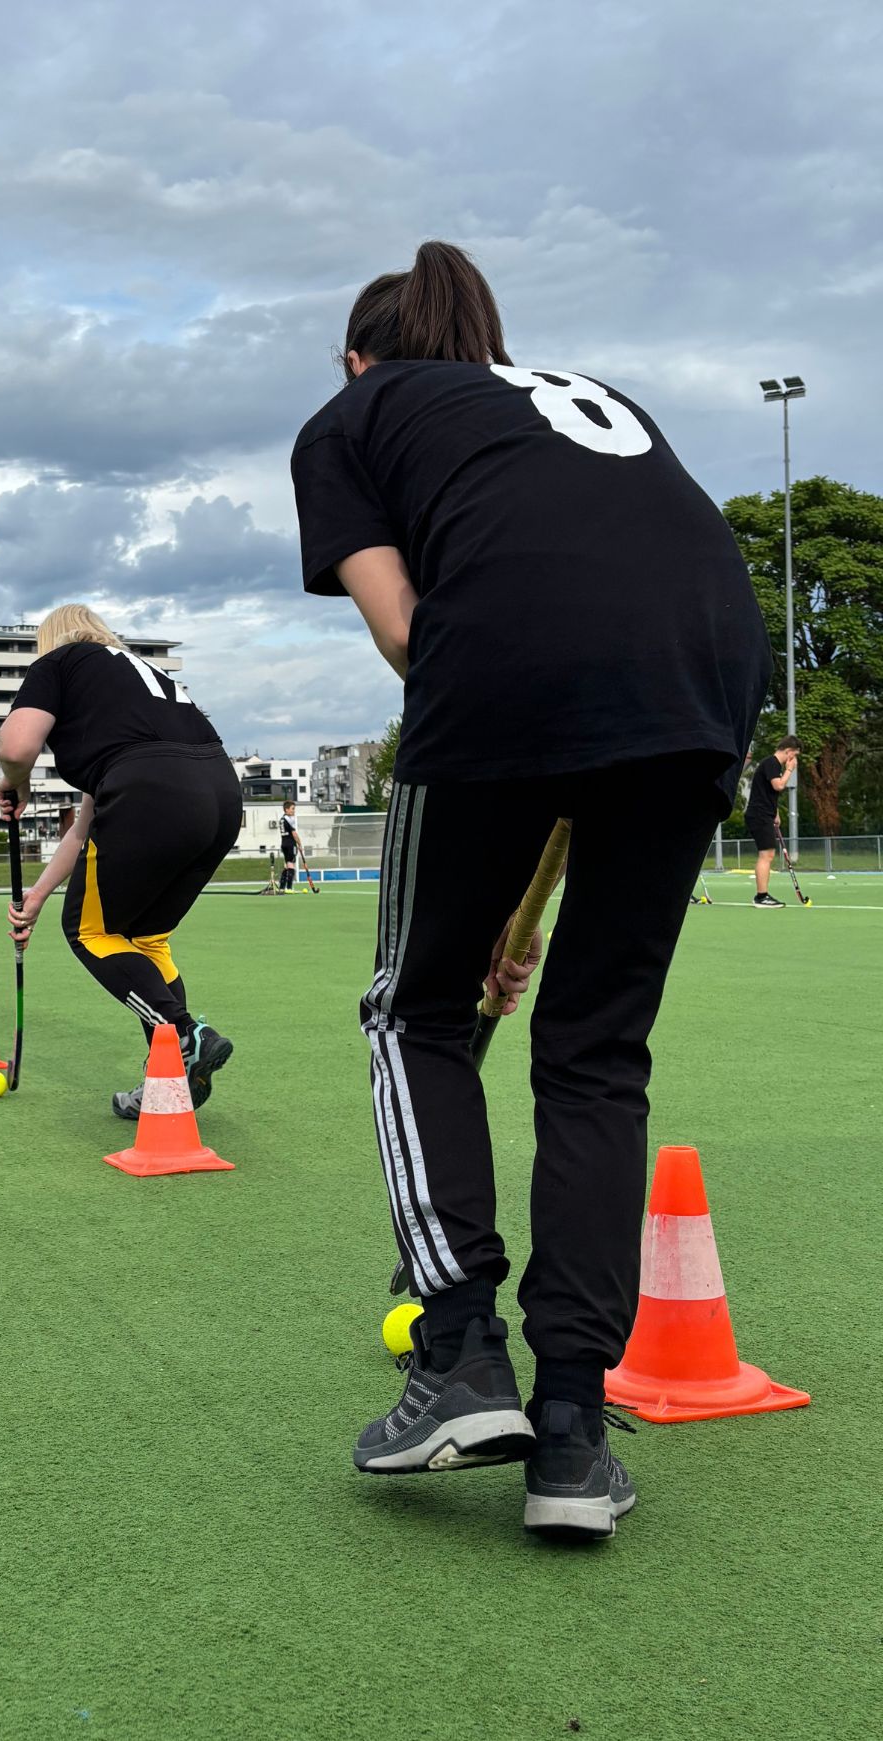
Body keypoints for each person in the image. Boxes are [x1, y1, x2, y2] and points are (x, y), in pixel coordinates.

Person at [290, 241, 770, 1540]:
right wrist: (514, 913)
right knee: (596, 1053)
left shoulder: (352, 416)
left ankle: (456, 1352)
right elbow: (599, 640)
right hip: (711, 679)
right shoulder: (585, 398)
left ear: (359, 359)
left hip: (517, 672)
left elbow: (416, 634)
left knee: (414, 1011)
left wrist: (477, 906)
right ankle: (570, 1433)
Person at [0, 603, 242, 1118]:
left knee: (90, 932)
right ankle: (169, 1080)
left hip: (151, 791)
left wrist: (16, 783)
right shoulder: (145, 680)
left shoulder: (59, 662)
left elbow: (16, 749)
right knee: (146, 938)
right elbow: (88, 823)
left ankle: (183, 1035)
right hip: (220, 795)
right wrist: (38, 895)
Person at [744, 736, 802, 907]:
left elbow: (768, 793)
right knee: (766, 854)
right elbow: (778, 786)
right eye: (794, 755)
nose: (794, 760)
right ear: (788, 752)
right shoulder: (772, 763)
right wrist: (789, 770)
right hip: (759, 815)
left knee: (767, 854)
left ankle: (762, 896)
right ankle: (761, 896)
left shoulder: (773, 765)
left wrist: (775, 813)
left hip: (765, 814)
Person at [279, 801, 301, 892]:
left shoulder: (282, 819)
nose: (293, 811)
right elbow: (294, 834)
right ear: (286, 809)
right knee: (291, 865)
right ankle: (289, 887)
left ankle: (282, 887)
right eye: (292, 809)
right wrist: (299, 844)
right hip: (291, 844)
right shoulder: (289, 819)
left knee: (286, 865)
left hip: (284, 844)